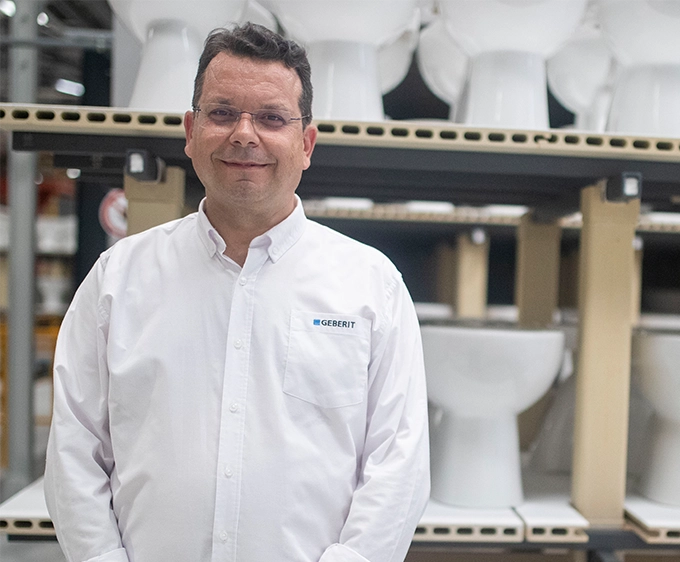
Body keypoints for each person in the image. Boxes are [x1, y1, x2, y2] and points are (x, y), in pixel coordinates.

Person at [44, 22, 429, 562]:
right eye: (222, 113)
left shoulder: (371, 285)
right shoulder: (118, 279)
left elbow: (399, 462)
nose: (244, 134)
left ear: (306, 143)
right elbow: (74, 449)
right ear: (190, 131)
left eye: (272, 118)